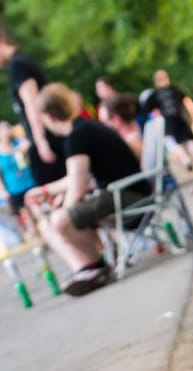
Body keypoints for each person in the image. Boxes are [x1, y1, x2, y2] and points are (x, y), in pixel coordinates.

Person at [23, 83, 148, 296]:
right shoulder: (84, 128)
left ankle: (94, 267)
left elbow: (77, 185)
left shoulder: (77, 137)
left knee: (60, 220)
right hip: (130, 192)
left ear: (49, 116)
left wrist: (66, 214)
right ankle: (92, 266)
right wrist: (47, 190)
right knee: (66, 216)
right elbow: (75, 177)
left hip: (127, 197)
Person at [0, 28, 65, 190]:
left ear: (1, 41)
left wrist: (40, 141)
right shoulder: (18, 63)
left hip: (48, 139)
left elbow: (33, 103)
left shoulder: (18, 65)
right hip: (44, 137)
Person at [139, 69, 193, 169]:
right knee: (189, 140)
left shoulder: (154, 95)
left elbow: (147, 111)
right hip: (180, 118)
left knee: (173, 143)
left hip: (168, 122)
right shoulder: (174, 89)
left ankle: (186, 160)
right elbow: (187, 102)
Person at [0, 121, 36, 214]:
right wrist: (2, 191)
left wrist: (20, 136)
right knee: (26, 217)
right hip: (14, 189)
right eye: (4, 127)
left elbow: (27, 160)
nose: (8, 128)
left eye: (8, 126)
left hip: (29, 183)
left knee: (37, 211)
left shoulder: (18, 143)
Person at [98, 93, 144, 160]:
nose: (102, 126)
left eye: (104, 121)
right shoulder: (137, 133)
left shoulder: (131, 143)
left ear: (117, 120)